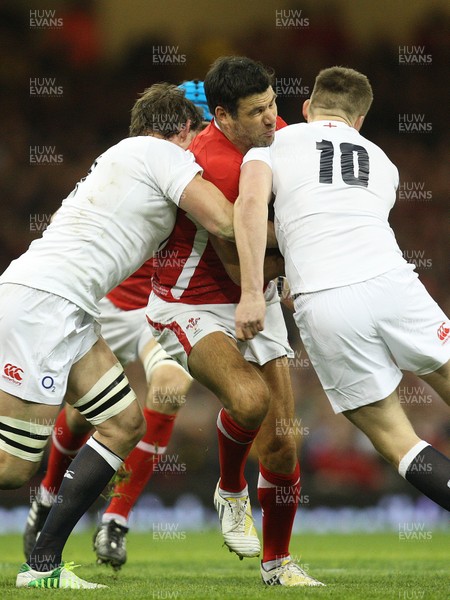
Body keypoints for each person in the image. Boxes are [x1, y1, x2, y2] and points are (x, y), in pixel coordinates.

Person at [0, 82, 234, 589]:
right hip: (45, 304)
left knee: (125, 422)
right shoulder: (162, 154)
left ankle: (42, 567)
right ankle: (43, 562)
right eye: (199, 135)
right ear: (184, 130)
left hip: (71, 308)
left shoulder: (128, 155)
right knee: (13, 468)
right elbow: (225, 221)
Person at [233, 66, 450, 512]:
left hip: (326, 300)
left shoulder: (272, 141)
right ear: (360, 121)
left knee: (395, 437)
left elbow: (251, 205)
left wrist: (253, 291)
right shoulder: (383, 163)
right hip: (393, 283)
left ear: (307, 108)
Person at [147, 57, 324, 587]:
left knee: (283, 444)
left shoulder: (278, 136)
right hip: (193, 302)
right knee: (249, 401)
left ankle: (278, 565)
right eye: (257, 112)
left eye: (272, 104)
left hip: (257, 293)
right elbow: (236, 256)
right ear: (222, 116)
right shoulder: (208, 163)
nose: (272, 119)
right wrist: (299, 244)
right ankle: (229, 490)